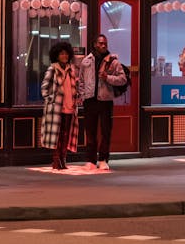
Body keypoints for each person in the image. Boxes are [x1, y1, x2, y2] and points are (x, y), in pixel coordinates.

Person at [78, 34, 127, 172]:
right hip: (90, 100)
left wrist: (108, 77)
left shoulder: (113, 62)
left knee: (106, 131)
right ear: (95, 44)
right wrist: (82, 95)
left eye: (105, 43)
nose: (103, 45)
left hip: (105, 100)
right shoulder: (86, 61)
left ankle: (103, 159)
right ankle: (90, 160)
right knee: (90, 132)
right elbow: (81, 80)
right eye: (100, 43)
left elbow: (123, 79)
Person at [39, 41, 80, 171]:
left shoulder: (71, 70)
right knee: (57, 135)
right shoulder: (52, 69)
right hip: (57, 109)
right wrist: (51, 100)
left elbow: (74, 87)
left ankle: (63, 158)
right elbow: (44, 88)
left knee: (66, 134)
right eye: (62, 54)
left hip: (69, 107)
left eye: (66, 53)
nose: (65, 56)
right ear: (56, 56)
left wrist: (76, 99)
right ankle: (56, 160)